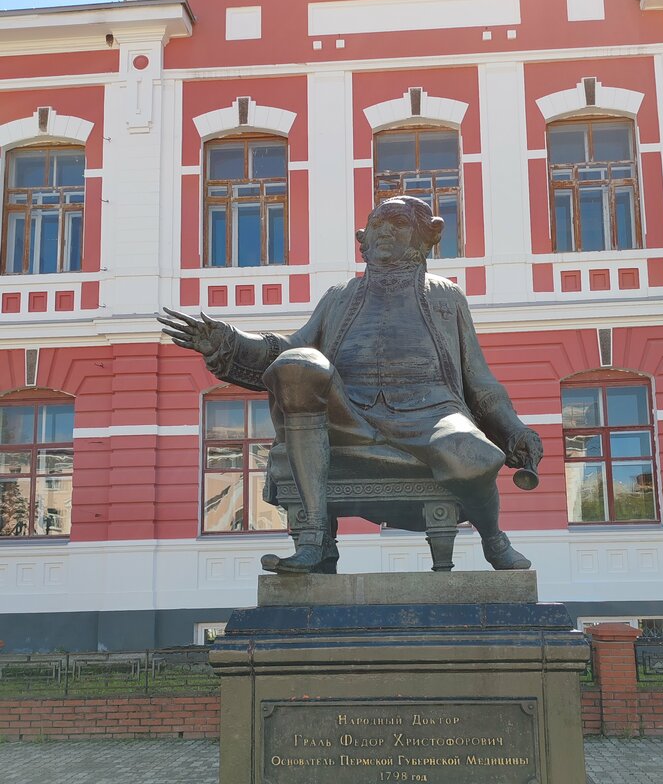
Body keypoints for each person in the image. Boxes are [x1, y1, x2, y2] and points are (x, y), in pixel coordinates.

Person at [159, 196, 542, 574]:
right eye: (377, 226)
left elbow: (479, 378)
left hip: (432, 417)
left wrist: (513, 429)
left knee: (470, 452)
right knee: (299, 364)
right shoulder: (340, 297)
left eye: (398, 224)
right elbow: (289, 348)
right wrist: (230, 341)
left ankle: (493, 539)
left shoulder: (447, 295)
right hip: (348, 416)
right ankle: (313, 539)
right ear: (363, 238)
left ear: (426, 237)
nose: (385, 234)